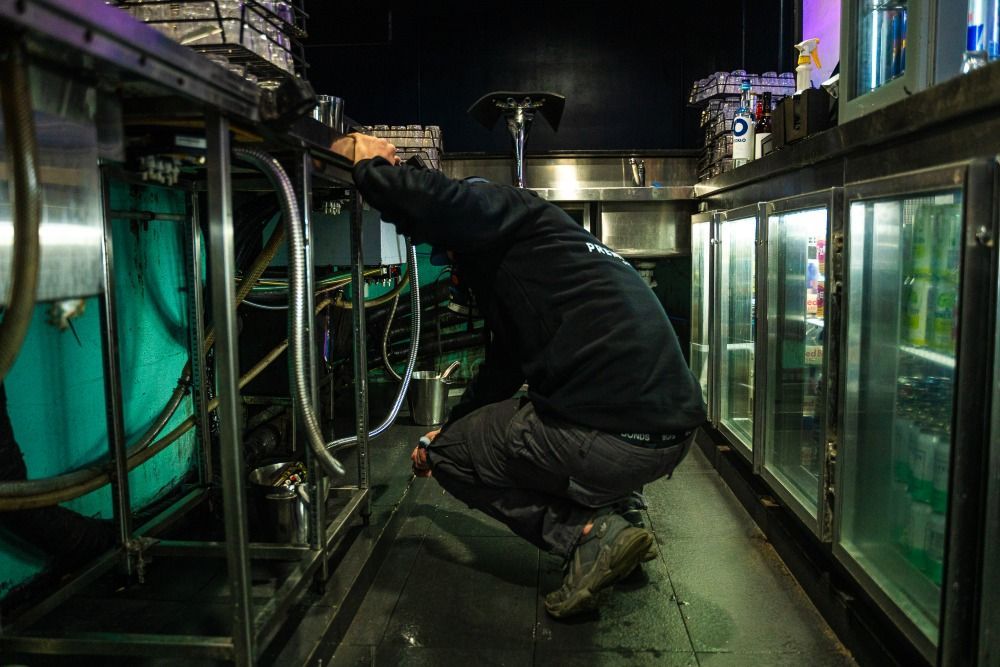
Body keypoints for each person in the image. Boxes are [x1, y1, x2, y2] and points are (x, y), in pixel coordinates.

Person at [331, 133, 707, 618]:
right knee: (485, 429)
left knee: (453, 459)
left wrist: (367, 169)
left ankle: (589, 535)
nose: (455, 275)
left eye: (451, 258)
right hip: (671, 437)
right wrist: (450, 425)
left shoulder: (500, 204)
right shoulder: (549, 251)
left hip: (617, 442)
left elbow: (438, 202)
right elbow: (501, 372)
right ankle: (621, 512)